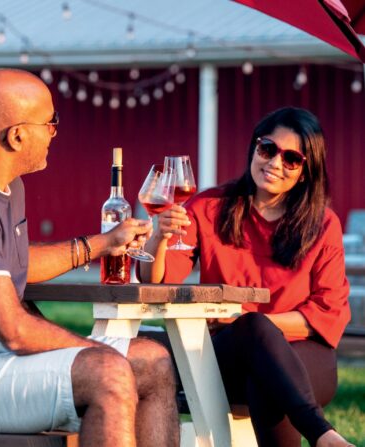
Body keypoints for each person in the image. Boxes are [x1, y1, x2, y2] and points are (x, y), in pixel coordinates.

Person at [140, 107, 354, 447]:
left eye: (291, 159)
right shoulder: (209, 207)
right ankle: (322, 435)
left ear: (304, 171)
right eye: (268, 149)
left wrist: (251, 320)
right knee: (254, 336)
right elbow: (158, 282)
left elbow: (327, 312)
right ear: (254, 148)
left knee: (263, 363)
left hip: (304, 354)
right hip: (227, 357)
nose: (274, 163)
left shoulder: (323, 225)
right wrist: (159, 237)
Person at [0, 68, 180, 447]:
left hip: (3, 356)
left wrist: (104, 243)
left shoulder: (11, 187)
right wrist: (96, 349)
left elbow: (16, 262)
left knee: (152, 361)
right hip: (1, 355)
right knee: (110, 371)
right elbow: (14, 330)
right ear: (17, 136)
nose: (54, 132)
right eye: (51, 121)